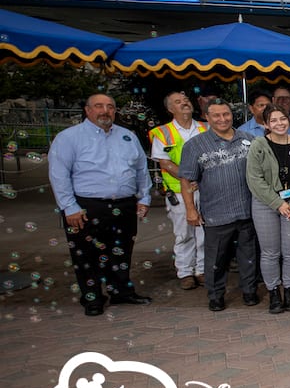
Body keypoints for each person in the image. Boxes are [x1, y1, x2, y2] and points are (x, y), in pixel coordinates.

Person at [49, 93, 153, 316]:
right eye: (99, 106)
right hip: (86, 206)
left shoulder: (128, 136)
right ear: (87, 110)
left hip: (124, 204)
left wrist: (144, 198)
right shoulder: (69, 138)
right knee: (86, 255)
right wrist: (69, 207)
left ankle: (121, 291)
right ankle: (92, 297)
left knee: (122, 250)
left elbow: (141, 170)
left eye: (110, 107)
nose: (105, 111)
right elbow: (59, 175)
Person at [180, 99, 259, 311]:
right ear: (207, 117)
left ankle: (249, 291)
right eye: (216, 115)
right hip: (216, 213)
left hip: (247, 210)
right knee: (216, 258)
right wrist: (190, 209)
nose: (222, 119)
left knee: (248, 255)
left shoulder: (249, 140)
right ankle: (216, 295)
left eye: (226, 114)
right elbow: (186, 179)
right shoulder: (195, 145)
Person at [246, 106, 290, 314]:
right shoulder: (259, 145)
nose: (279, 123)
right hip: (266, 205)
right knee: (270, 252)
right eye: (273, 121)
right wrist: (278, 203)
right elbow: (254, 179)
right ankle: (274, 292)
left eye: (282, 119)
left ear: (289, 120)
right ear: (266, 124)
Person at [148, 91, 207, 290]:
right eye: (178, 102)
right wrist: (188, 177)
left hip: (205, 189)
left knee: (204, 232)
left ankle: (202, 270)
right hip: (179, 192)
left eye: (186, 100)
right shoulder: (162, 132)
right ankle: (185, 272)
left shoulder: (205, 127)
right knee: (184, 233)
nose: (184, 104)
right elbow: (164, 162)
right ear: (169, 109)